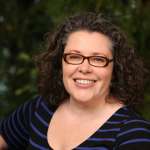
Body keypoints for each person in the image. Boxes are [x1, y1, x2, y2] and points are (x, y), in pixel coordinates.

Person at [0, 12, 150, 150]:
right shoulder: (39, 109)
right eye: (74, 57)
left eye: (98, 59)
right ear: (60, 63)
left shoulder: (133, 134)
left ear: (116, 68)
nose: (84, 68)